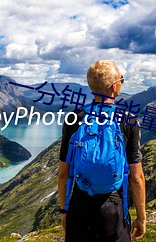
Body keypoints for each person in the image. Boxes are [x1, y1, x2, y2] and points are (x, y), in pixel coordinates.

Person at [58, 60, 146, 242]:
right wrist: (141, 217)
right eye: (122, 79)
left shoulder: (75, 118)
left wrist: (64, 210)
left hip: (80, 205)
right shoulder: (128, 120)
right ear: (114, 86)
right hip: (113, 207)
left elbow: (63, 173)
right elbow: (136, 177)